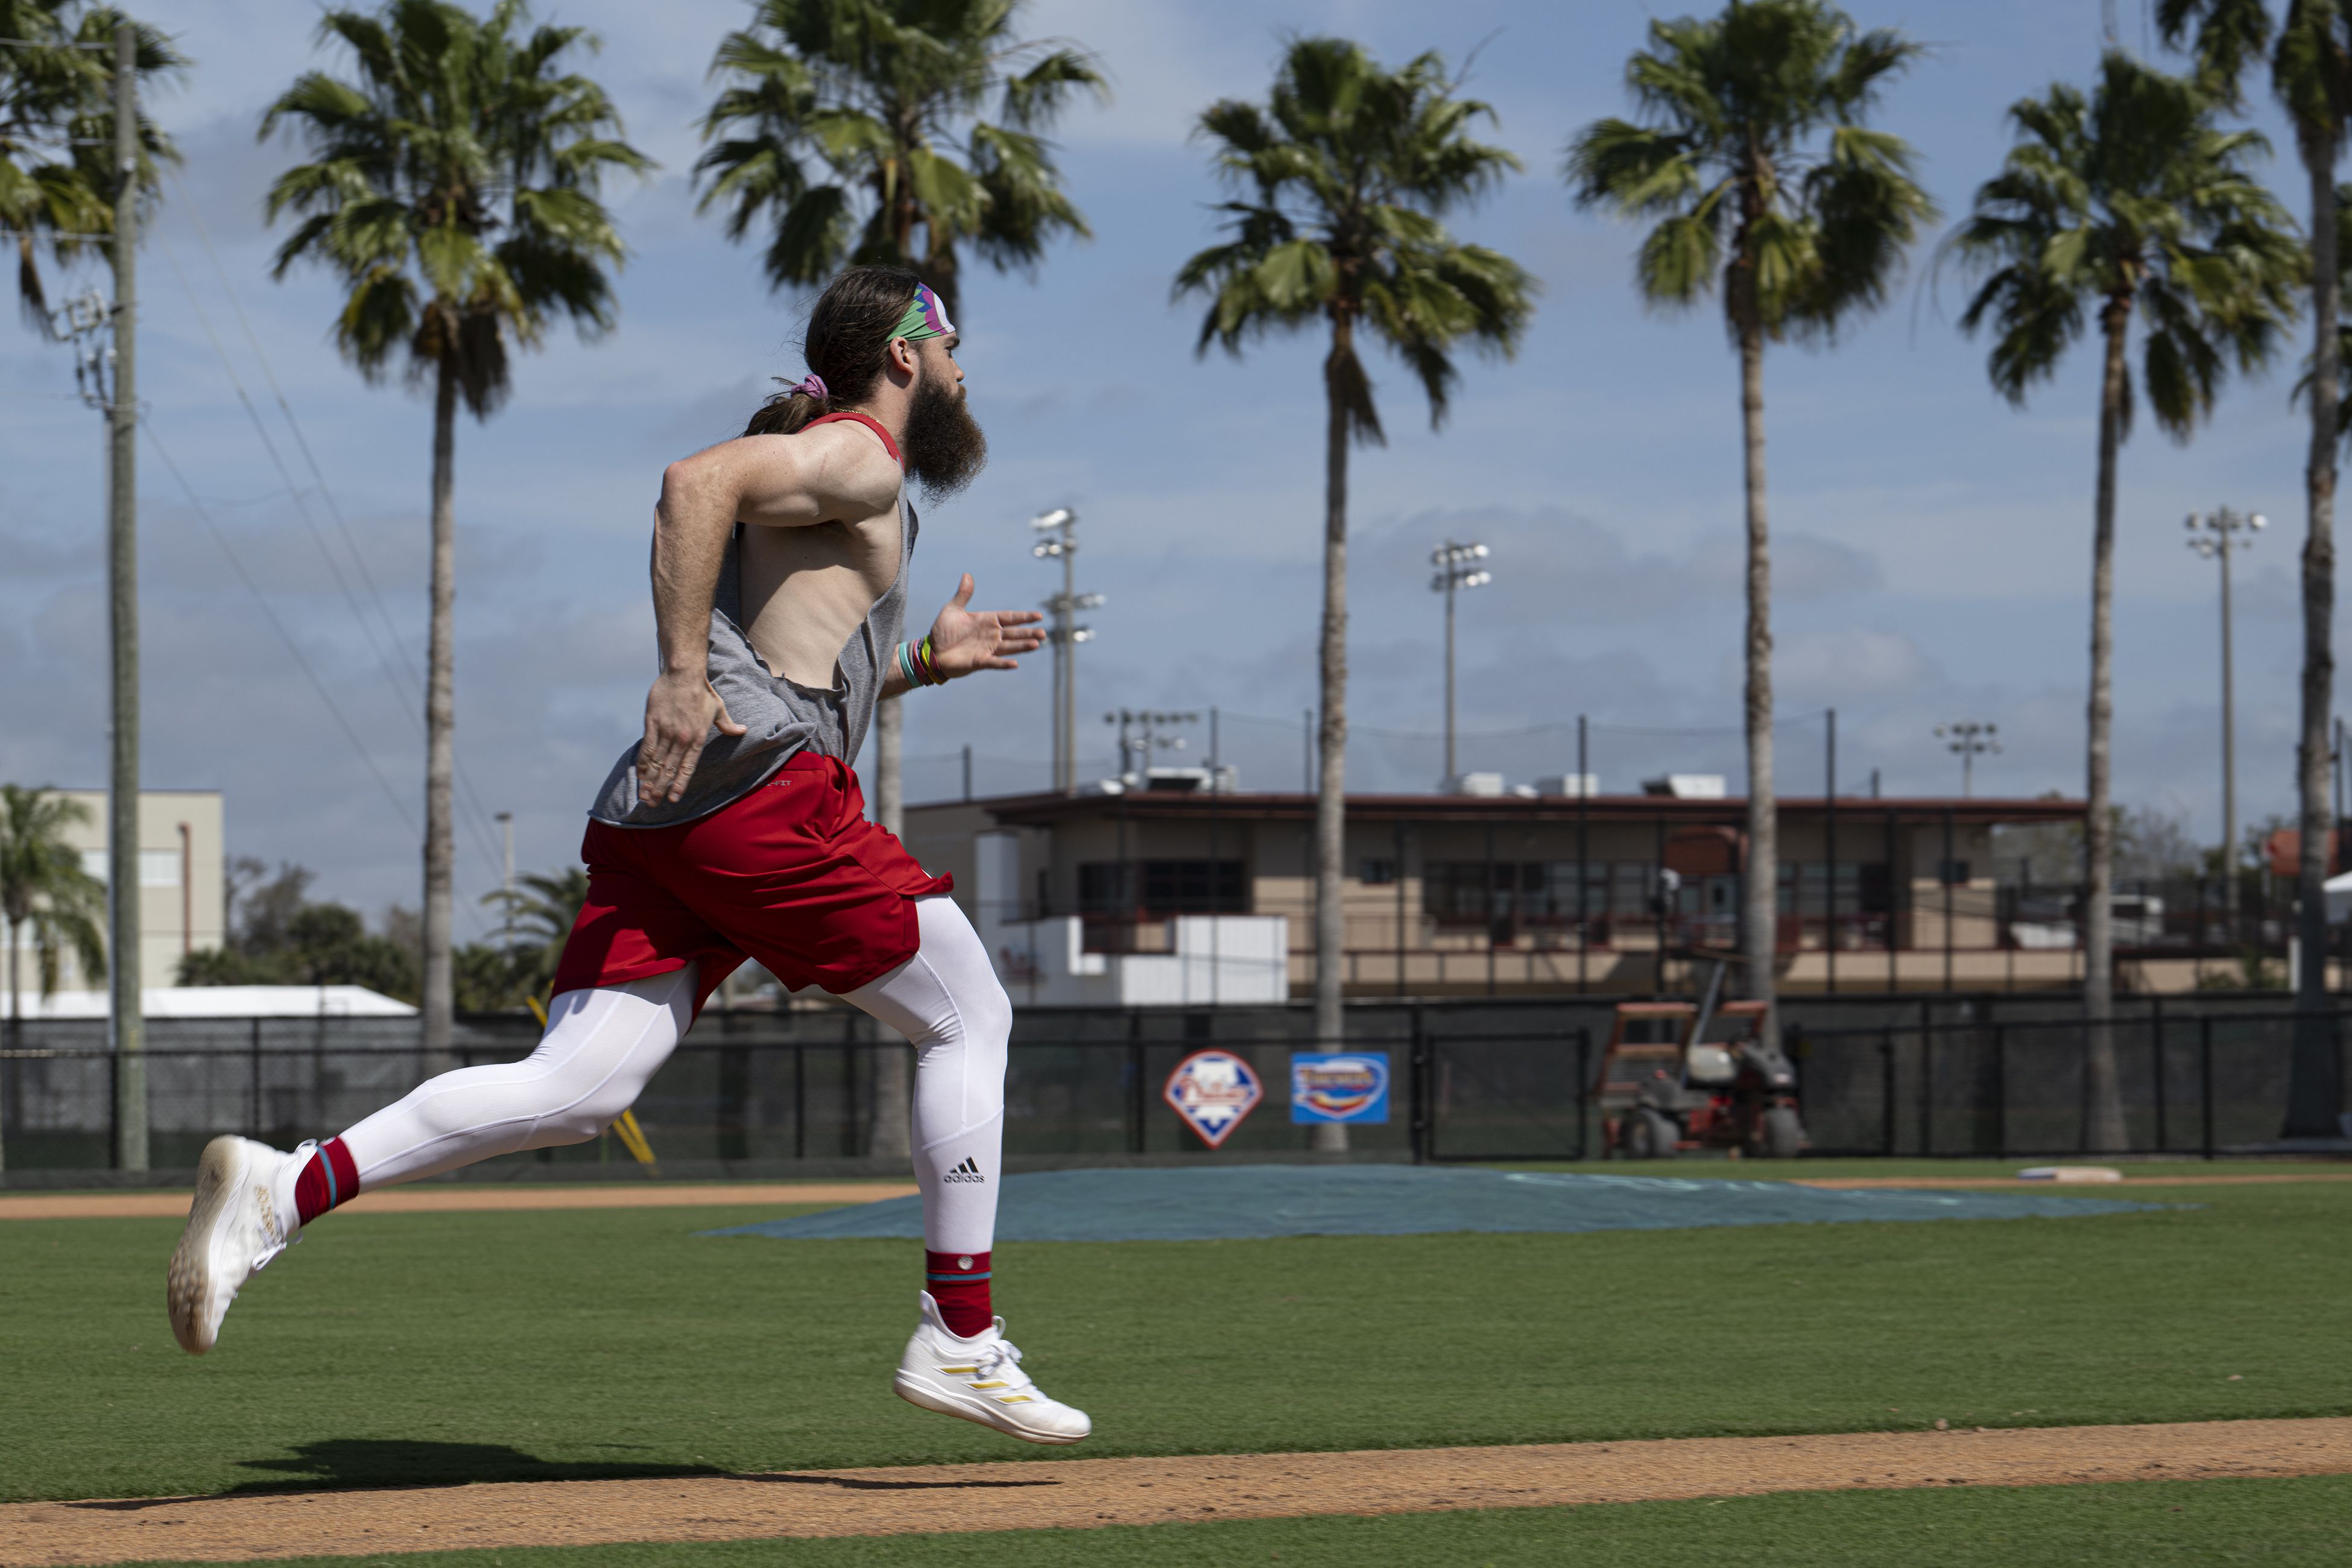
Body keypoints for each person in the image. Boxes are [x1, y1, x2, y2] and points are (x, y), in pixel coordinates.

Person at [165, 265, 1089, 1445]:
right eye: (953, 341)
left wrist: (917, 666)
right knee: (969, 1014)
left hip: (674, 808)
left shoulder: (855, 478)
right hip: (757, 796)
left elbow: (794, 656)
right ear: (904, 354)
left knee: (577, 1088)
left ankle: (282, 1189)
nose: (967, 364)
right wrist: (679, 676)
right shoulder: (864, 452)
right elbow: (691, 482)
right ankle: (961, 1337)